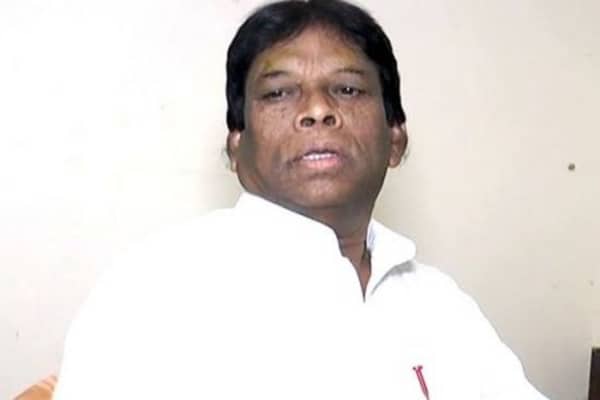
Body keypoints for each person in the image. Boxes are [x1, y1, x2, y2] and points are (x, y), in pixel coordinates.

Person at [53, 0, 548, 398]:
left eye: (348, 89)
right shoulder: (156, 289)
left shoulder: (439, 303)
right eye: (278, 93)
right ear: (236, 145)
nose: (317, 110)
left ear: (395, 140)